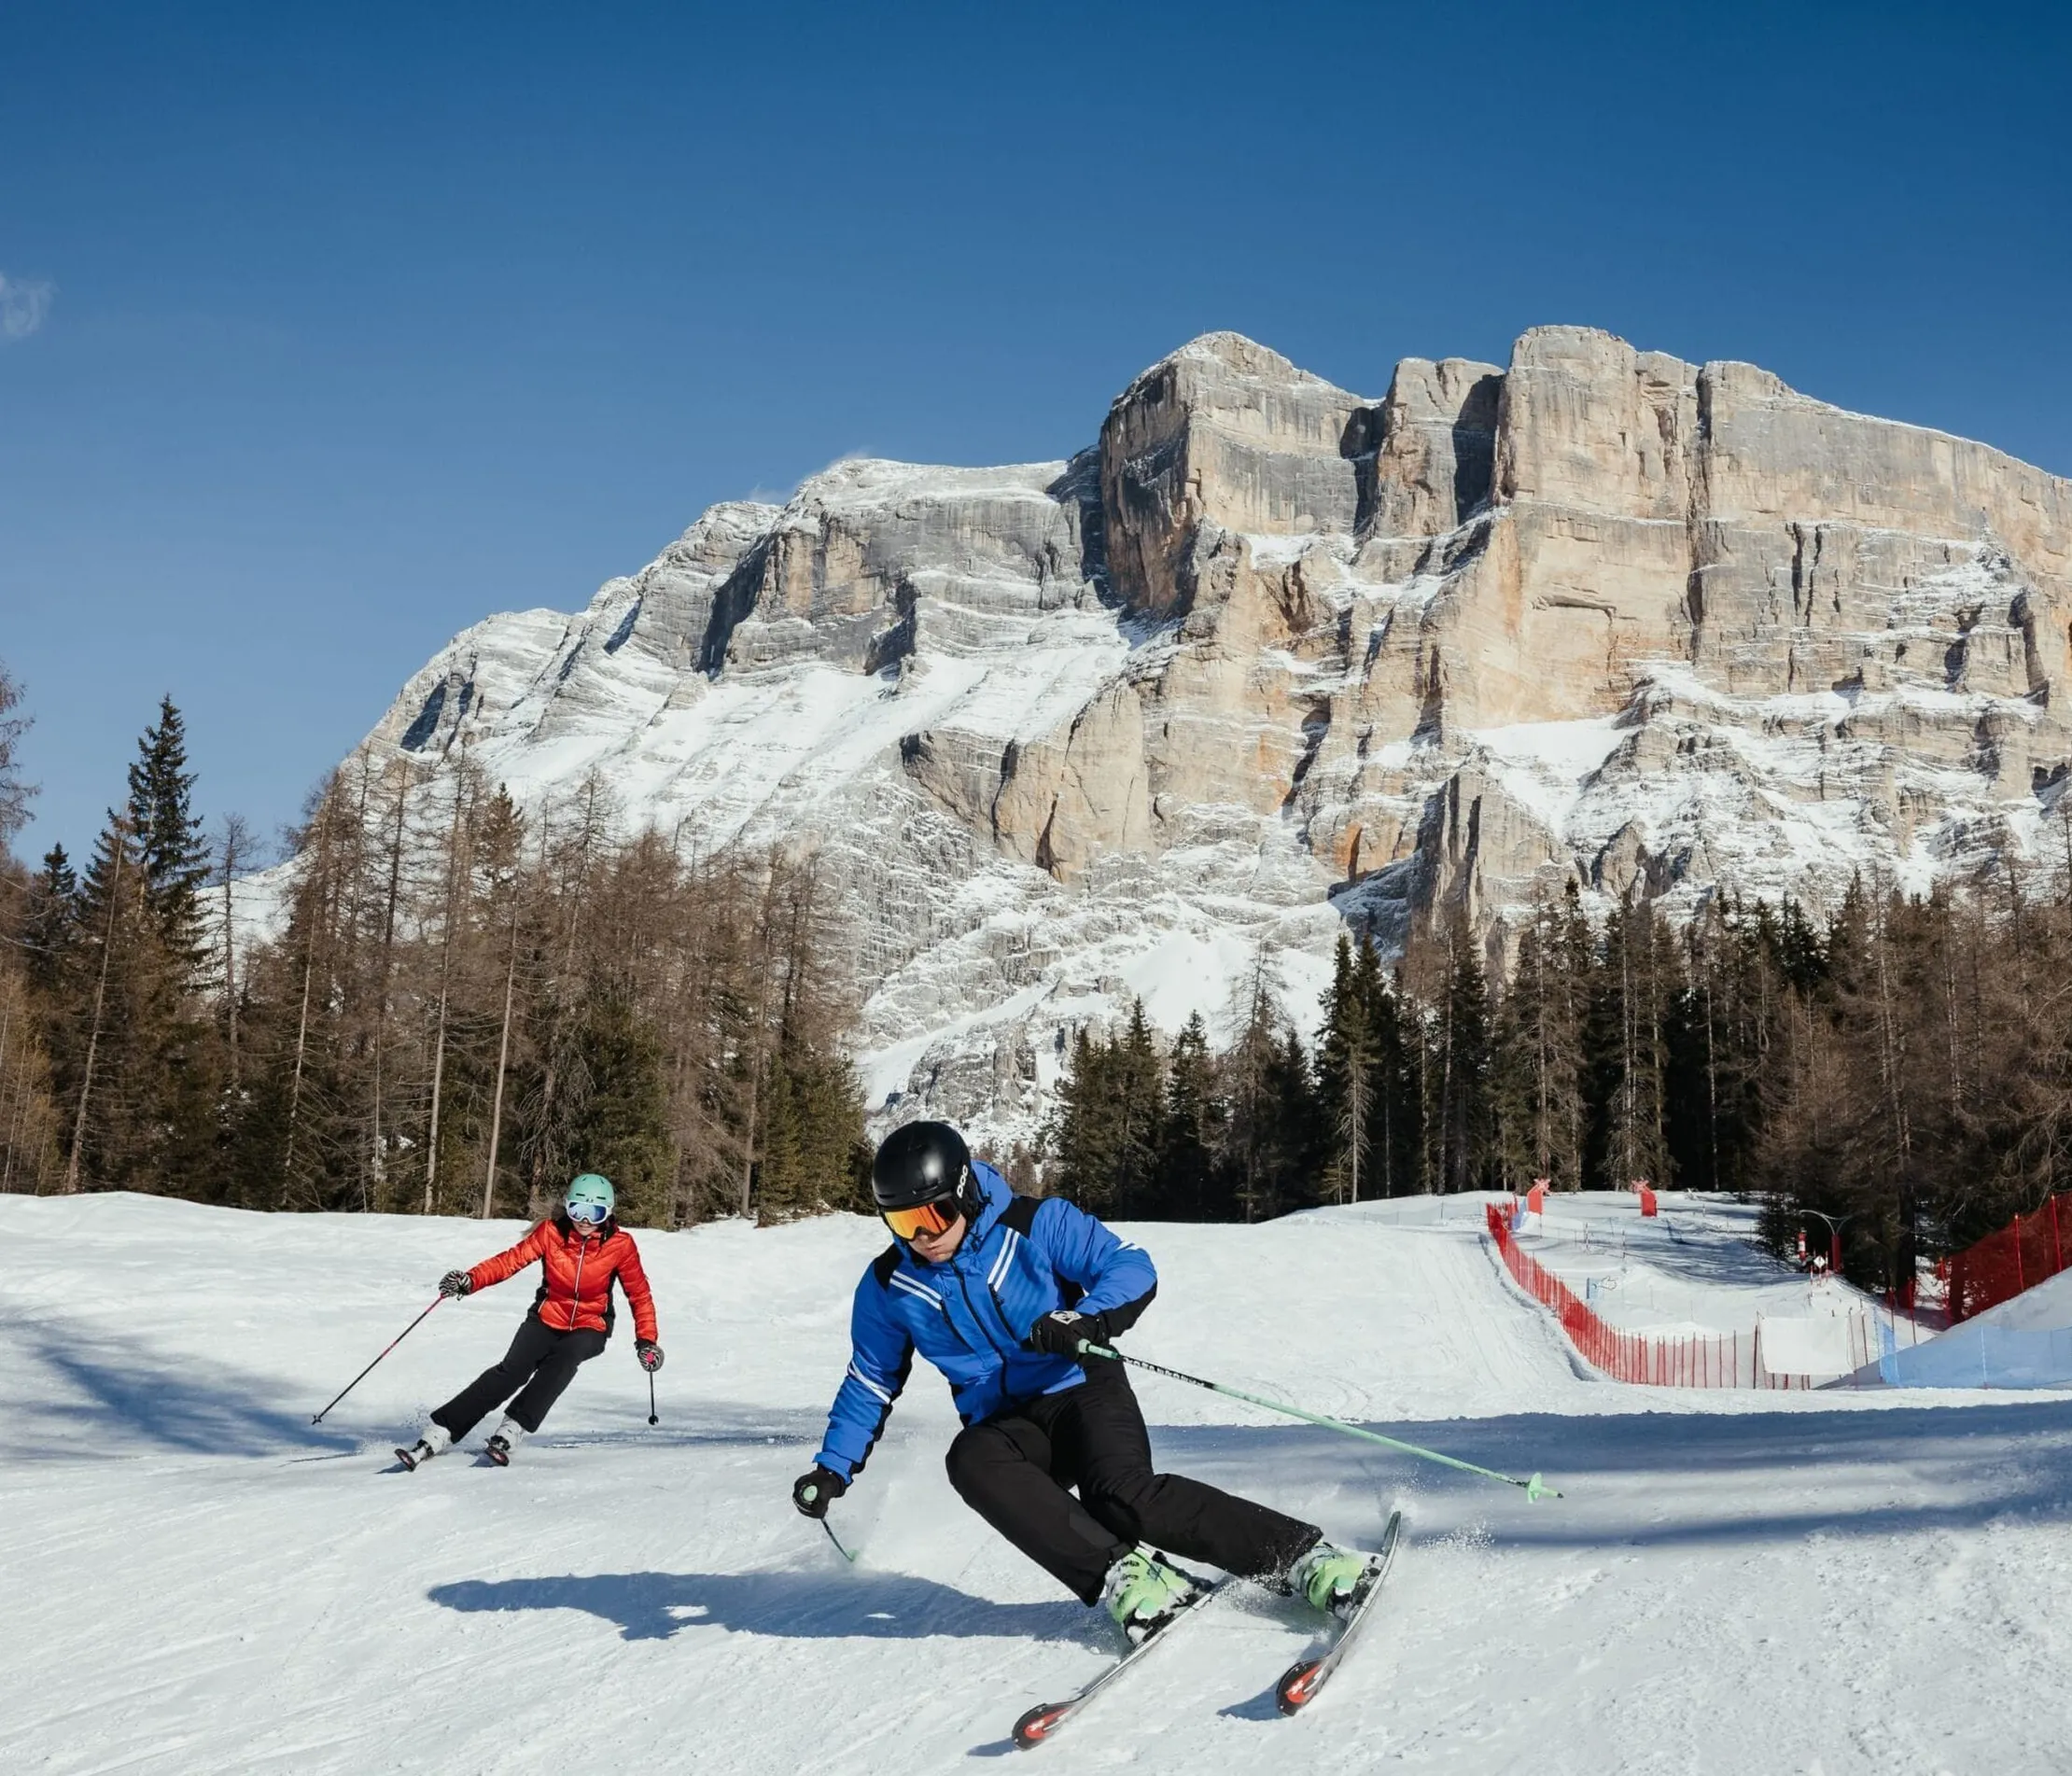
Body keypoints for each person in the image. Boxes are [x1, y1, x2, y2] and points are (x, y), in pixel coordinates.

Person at [791, 1121, 1379, 1643]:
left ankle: (1309, 1559)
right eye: (903, 1222)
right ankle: (1130, 1578)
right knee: (971, 1459)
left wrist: (1085, 1317)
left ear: (966, 1191)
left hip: (1080, 1384)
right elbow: (871, 1378)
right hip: (1009, 1422)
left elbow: (1128, 1264)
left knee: (1121, 1495)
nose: (923, 1236)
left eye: (934, 1215)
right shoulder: (890, 1284)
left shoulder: (1034, 1223)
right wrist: (831, 1467)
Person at [397, 1172, 663, 1468]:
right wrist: (470, 1281)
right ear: (568, 1206)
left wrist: (647, 1342)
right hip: (546, 1317)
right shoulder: (551, 1233)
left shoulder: (621, 1245)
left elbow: (639, 1294)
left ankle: (513, 1427)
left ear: (608, 1213)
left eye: (595, 1212)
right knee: (512, 1371)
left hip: (591, 1324)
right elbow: (510, 1260)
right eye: (577, 1209)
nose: (585, 1220)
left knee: (564, 1359)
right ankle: (442, 1430)